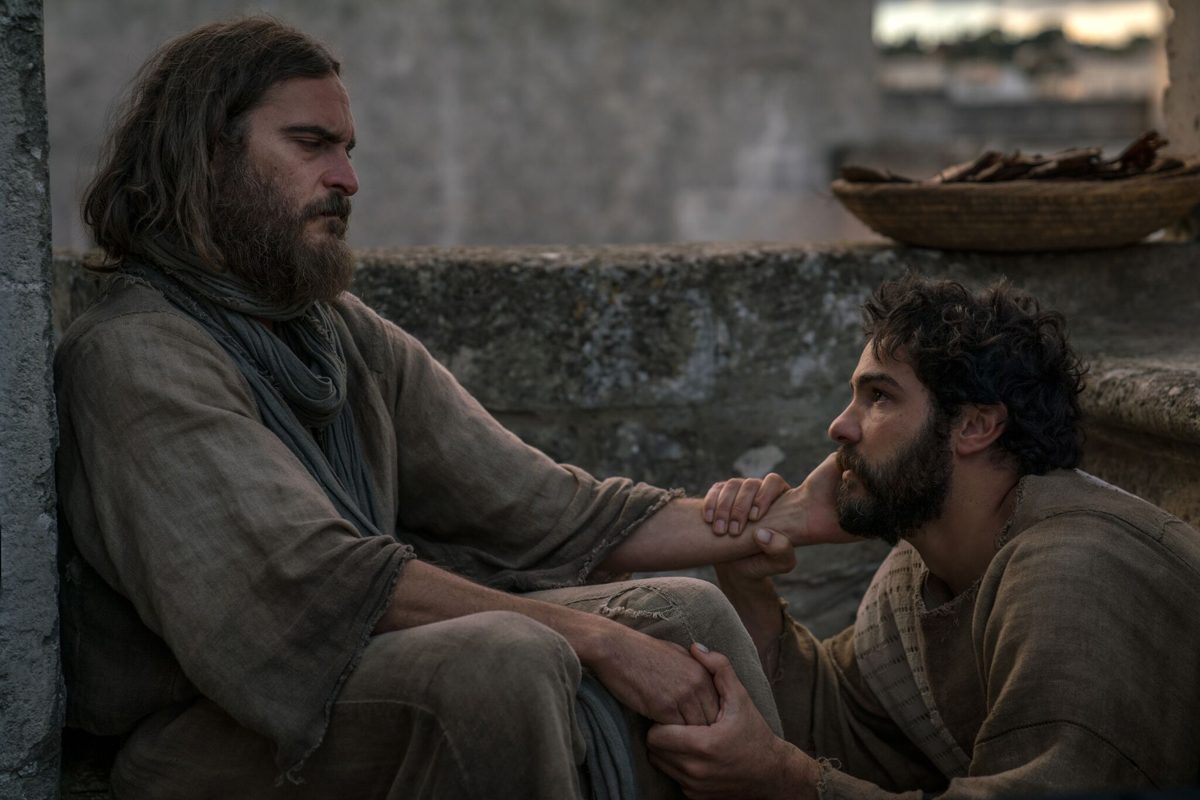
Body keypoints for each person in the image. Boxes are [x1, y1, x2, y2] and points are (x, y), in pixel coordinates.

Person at [54, 16, 846, 800]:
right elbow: (312, 582)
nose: (347, 180)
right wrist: (598, 640)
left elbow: (543, 509)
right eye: (310, 145)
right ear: (206, 157)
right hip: (205, 735)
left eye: (348, 150)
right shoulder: (137, 355)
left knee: (685, 611)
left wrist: (787, 517)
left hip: (347, 677)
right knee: (506, 660)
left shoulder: (340, 337)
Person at [652, 274, 1200, 798]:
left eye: (880, 397)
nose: (840, 427)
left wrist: (784, 784)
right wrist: (753, 567)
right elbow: (842, 726)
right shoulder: (921, 570)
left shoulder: (1073, 575)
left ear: (975, 426)